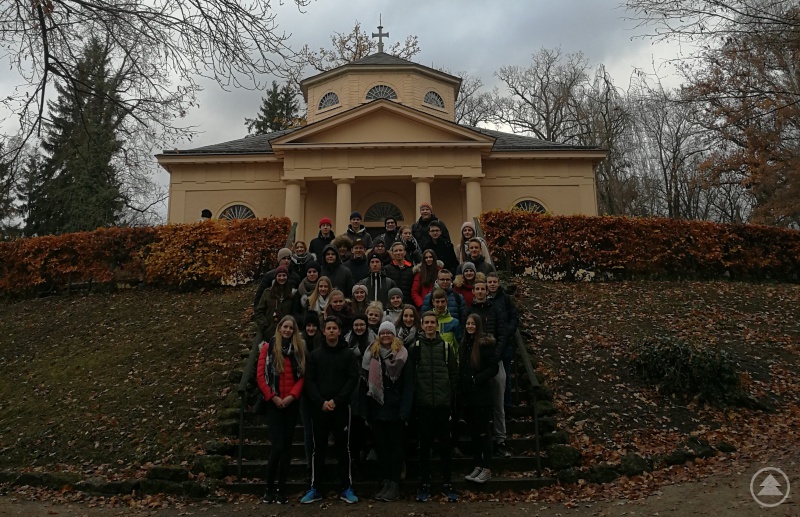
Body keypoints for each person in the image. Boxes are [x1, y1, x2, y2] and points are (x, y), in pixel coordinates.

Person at [301, 316, 360, 505]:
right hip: (320, 408)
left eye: (335, 328)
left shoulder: (348, 355)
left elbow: (352, 379)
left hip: (341, 408)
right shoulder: (315, 355)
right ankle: (316, 487)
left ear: (339, 331)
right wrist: (321, 402)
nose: (332, 331)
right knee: (319, 448)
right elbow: (309, 381)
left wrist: (337, 400)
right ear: (324, 331)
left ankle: (346, 487)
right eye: (329, 328)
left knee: (343, 448)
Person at [362, 321, 414, 502]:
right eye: (382, 333)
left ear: (393, 335)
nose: (385, 335)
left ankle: (394, 483)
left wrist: (404, 410)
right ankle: (385, 481)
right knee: (382, 448)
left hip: (396, 409)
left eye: (388, 333)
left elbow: (409, 385)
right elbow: (364, 383)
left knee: (396, 449)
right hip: (377, 409)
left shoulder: (403, 355)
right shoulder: (371, 354)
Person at [257, 315, 306, 504]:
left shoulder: (298, 350)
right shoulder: (268, 348)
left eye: (291, 328)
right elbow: (261, 375)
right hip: (274, 403)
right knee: (277, 447)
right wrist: (274, 397)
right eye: (285, 327)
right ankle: (269, 487)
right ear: (279, 328)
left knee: (287, 448)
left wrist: (292, 396)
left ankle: (282, 488)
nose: (287, 330)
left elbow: (301, 376)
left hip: (290, 403)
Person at [412, 311, 458, 503]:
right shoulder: (414, 347)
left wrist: (451, 402)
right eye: (427, 323)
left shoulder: (446, 348)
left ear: (437, 325)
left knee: (445, 446)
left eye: (433, 322)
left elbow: (454, 377)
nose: (430, 325)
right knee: (424, 446)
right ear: (422, 325)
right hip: (423, 405)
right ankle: (424, 483)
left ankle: (447, 482)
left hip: (442, 404)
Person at [466, 278, 511, 459]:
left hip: (494, 361)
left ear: (487, 290)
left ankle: (500, 439)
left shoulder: (496, 309)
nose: (480, 292)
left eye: (483, 289)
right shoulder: (469, 311)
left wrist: (495, 356)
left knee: (499, 402)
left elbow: (503, 333)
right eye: (477, 289)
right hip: (476, 365)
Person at [458, 314, 498, 485]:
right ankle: (477, 464)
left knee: (483, 432)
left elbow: (493, 367)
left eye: (473, 324)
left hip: (481, 395)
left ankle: (487, 467)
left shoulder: (484, 344)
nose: (470, 326)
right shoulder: (464, 343)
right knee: (473, 433)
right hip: (468, 395)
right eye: (467, 323)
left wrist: (477, 379)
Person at [486, 272, 519, 418]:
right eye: (490, 282)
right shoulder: (484, 300)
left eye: (494, 282)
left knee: (505, 377)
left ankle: (507, 407)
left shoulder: (506, 299)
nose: (492, 284)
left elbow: (514, 318)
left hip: (505, 343)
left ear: (498, 283)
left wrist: (507, 333)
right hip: (488, 344)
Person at [255, 265, 297, 339]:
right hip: (269, 331)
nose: (282, 278)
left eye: (284, 275)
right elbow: (259, 311)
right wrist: (264, 324)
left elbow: (294, 312)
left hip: (286, 332)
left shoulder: (291, 294)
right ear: (276, 277)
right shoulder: (267, 292)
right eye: (279, 275)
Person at [431, 288, 462, 356]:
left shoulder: (454, 322)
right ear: (433, 302)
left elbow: (458, 346)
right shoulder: (427, 321)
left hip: (449, 361)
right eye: (437, 301)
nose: (440, 305)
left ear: (447, 302)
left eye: (442, 301)